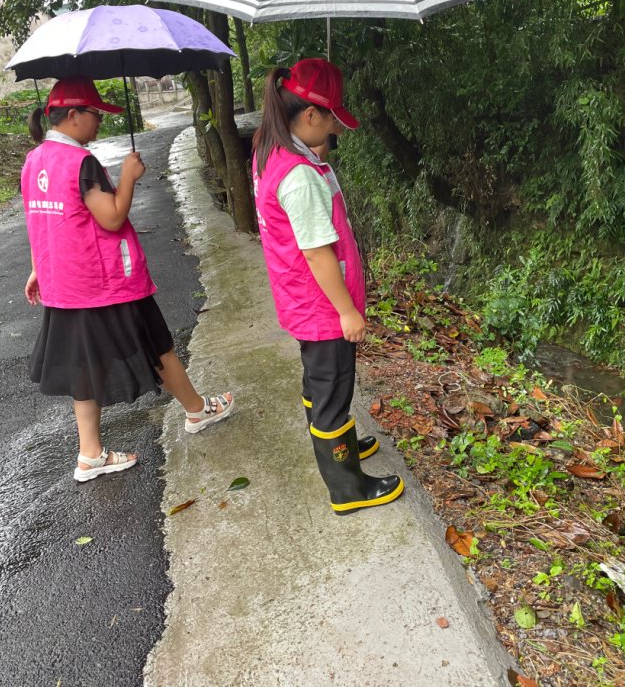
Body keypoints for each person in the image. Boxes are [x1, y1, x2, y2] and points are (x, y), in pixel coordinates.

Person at [21, 76, 235, 482]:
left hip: (64, 285)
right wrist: (130, 177)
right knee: (158, 345)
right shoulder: (81, 164)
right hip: (103, 281)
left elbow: (42, 220)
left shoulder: (34, 160)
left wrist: (38, 268)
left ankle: (91, 454)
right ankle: (196, 410)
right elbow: (112, 216)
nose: (99, 121)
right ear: (73, 116)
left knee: (86, 366)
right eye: (95, 114)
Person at [252, 58, 403, 515]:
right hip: (322, 306)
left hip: (299, 298)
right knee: (334, 389)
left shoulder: (272, 149)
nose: (337, 127)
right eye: (333, 117)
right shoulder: (298, 176)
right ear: (310, 115)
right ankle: (347, 487)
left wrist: (318, 157)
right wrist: (348, 312)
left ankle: (338, 444)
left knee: (320, 383)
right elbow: (318, 252)